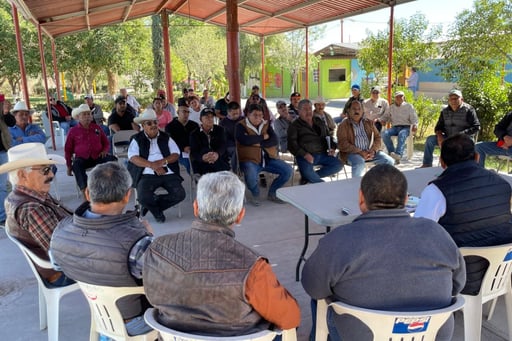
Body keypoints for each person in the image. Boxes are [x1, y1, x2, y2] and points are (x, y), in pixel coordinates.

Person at [301, 164, 466, 340]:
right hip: (431, 335)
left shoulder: (338, 240)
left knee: (320, 301)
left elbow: (314, 288)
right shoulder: (436, 232)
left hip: (363, 336)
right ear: (405, 200)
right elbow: (457, 285)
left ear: (361, 198)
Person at [143, 171, 300, 336]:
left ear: (196, 207)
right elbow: (290, 318)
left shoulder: (157, 248)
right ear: (240, 215)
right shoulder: (253, 267)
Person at [50, 162, 154, 336]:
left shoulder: (61, 231)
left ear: (88, 194)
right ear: (127, 196)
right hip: (134, 321)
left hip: (101, 314)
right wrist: (149, 237)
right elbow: (160, 278)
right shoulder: (138, 243)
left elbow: (58, 266)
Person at [415, 133, 512, 295]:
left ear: (442, 162)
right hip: (499, 274)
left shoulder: (437, 191)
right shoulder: (502, 184)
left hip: (458, 279)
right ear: (477, 157)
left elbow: (418, 235)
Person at [0, 143, 74, 287]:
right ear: (22, 174)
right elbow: (64, 253)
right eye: (45, 170)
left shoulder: (26, 195)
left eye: (51, 169)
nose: (51, 174)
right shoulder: (32, 208)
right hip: (64, 273)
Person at [127, 109, 186, 223]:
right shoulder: (137, 139)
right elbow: (133, 157)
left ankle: (151, 207)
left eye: (155, 122)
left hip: (167, 171)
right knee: (143, 196)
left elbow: (176, 154)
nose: (153, 125)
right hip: (146, 173)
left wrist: (161, 162)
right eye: (149, 123)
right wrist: (152, 165)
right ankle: (157, 212)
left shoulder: (166, 136)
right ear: (143, 125)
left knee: (180, 194)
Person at [236, 104, 292, 205]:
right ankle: (255, 194)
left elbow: (274, 140)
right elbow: (244, 140)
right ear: (248, 114)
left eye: (260, 115)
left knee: (287, 170)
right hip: (250, 159)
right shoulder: (240, 125)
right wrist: (263, 137)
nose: (258, 118)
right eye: (255, 115)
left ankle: (272, 192)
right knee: (251, 174)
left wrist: (257, 144)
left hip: (268, 158)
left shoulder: (266, 124)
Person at [420, 89, 480, 168]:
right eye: (451, 99)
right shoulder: (444, 111)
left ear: (461, 99)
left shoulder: (469, 110)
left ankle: (467, 168)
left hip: (464, 139)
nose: (453, 101)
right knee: (430, 140)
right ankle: (427, 164)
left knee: (462, 148)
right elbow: (438, 127)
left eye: (455, 98)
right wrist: (439, 136)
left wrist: (460, 135)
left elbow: (476, 127)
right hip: (448, 137)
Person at [65, 104, 117, 193]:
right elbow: (68, 149)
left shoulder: (97, 128)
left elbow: (106, 142)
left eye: (89, 114)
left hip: (98, 156)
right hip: (82, 158)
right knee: (76, 166)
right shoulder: (73, 131)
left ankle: (111, 188)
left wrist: (105, 150)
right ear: (78, 117)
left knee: (113, 160)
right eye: (84, 114)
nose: (87, 116)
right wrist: (69, 166)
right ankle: (85, 192)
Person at [288, 99, 341, 184]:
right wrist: (305, 154)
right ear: (299, 111)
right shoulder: (294, 125)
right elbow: (291, 145)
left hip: (323, 154)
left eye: (309, 108)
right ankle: (321, 184)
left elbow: (328, 136)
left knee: (338, 165)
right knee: (308, 172)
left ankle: (310, 177)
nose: (308, 111)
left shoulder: (318, 121)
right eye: (305, 109)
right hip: (305, 157)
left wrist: (332, 147)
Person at [337, 100, 394, 177]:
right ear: (349, 110)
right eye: (354, 109)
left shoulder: (368, 123)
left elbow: (377, 138)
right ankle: (356, 186)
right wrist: (360, 151)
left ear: (362, 111)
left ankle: (379, 183)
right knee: (359, 162)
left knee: (389, 161)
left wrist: (373, 150)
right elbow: (342, 143)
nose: (357, 111)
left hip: (370, 152)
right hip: (352, 154)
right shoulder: (343, 125)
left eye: (359, 109)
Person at [380, 91, 418, 164]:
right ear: (395, 98)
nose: (399, 98)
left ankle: (398, 154)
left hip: (406, 127)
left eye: (401, 96)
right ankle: (392, 153)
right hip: (395, 127)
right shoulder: (391, 107)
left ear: (404, 97)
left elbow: (414, 118)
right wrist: (383, 120)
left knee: (401, 134)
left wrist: (415, 125)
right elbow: (385, 117)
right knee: (384, 133)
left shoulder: (409, 106)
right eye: (397, 96)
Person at [190, 108, 230, 176]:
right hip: (202, 162)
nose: (210, 119)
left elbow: (223, 145)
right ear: (200, 119)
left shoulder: (220, 130)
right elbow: (194, 151)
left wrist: (217, 154)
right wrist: (202, 158)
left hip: (219, 160)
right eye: (207, 117)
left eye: (212, 117)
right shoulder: (194, 134)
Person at [165, 105, 199, 174]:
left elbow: (198, 139)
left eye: (188, 112)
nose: (186, 114)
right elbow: (171, 142)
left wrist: (192, 147)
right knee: (189, 163)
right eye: (184, 111)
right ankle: (195, 179)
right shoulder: (170, 126)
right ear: (178, 112)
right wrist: (183, 148)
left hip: (194, 149)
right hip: (178, 151)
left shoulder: (194, 125)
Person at [0, 94, 15, 224]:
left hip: (2, 151)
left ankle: (2, 216)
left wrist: (6, 112)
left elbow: (11, 122)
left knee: (2, 185)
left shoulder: (2, 110)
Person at [219, 101, 243, 171]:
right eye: (234, 114)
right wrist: (236, 144)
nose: (236, 115)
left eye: (238, 113)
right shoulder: (223, 122)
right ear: (228, 112)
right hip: (230, 145)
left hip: (243, 143)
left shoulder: (243, 120)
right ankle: (235, 171)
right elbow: (224, 138)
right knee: (236, 150)